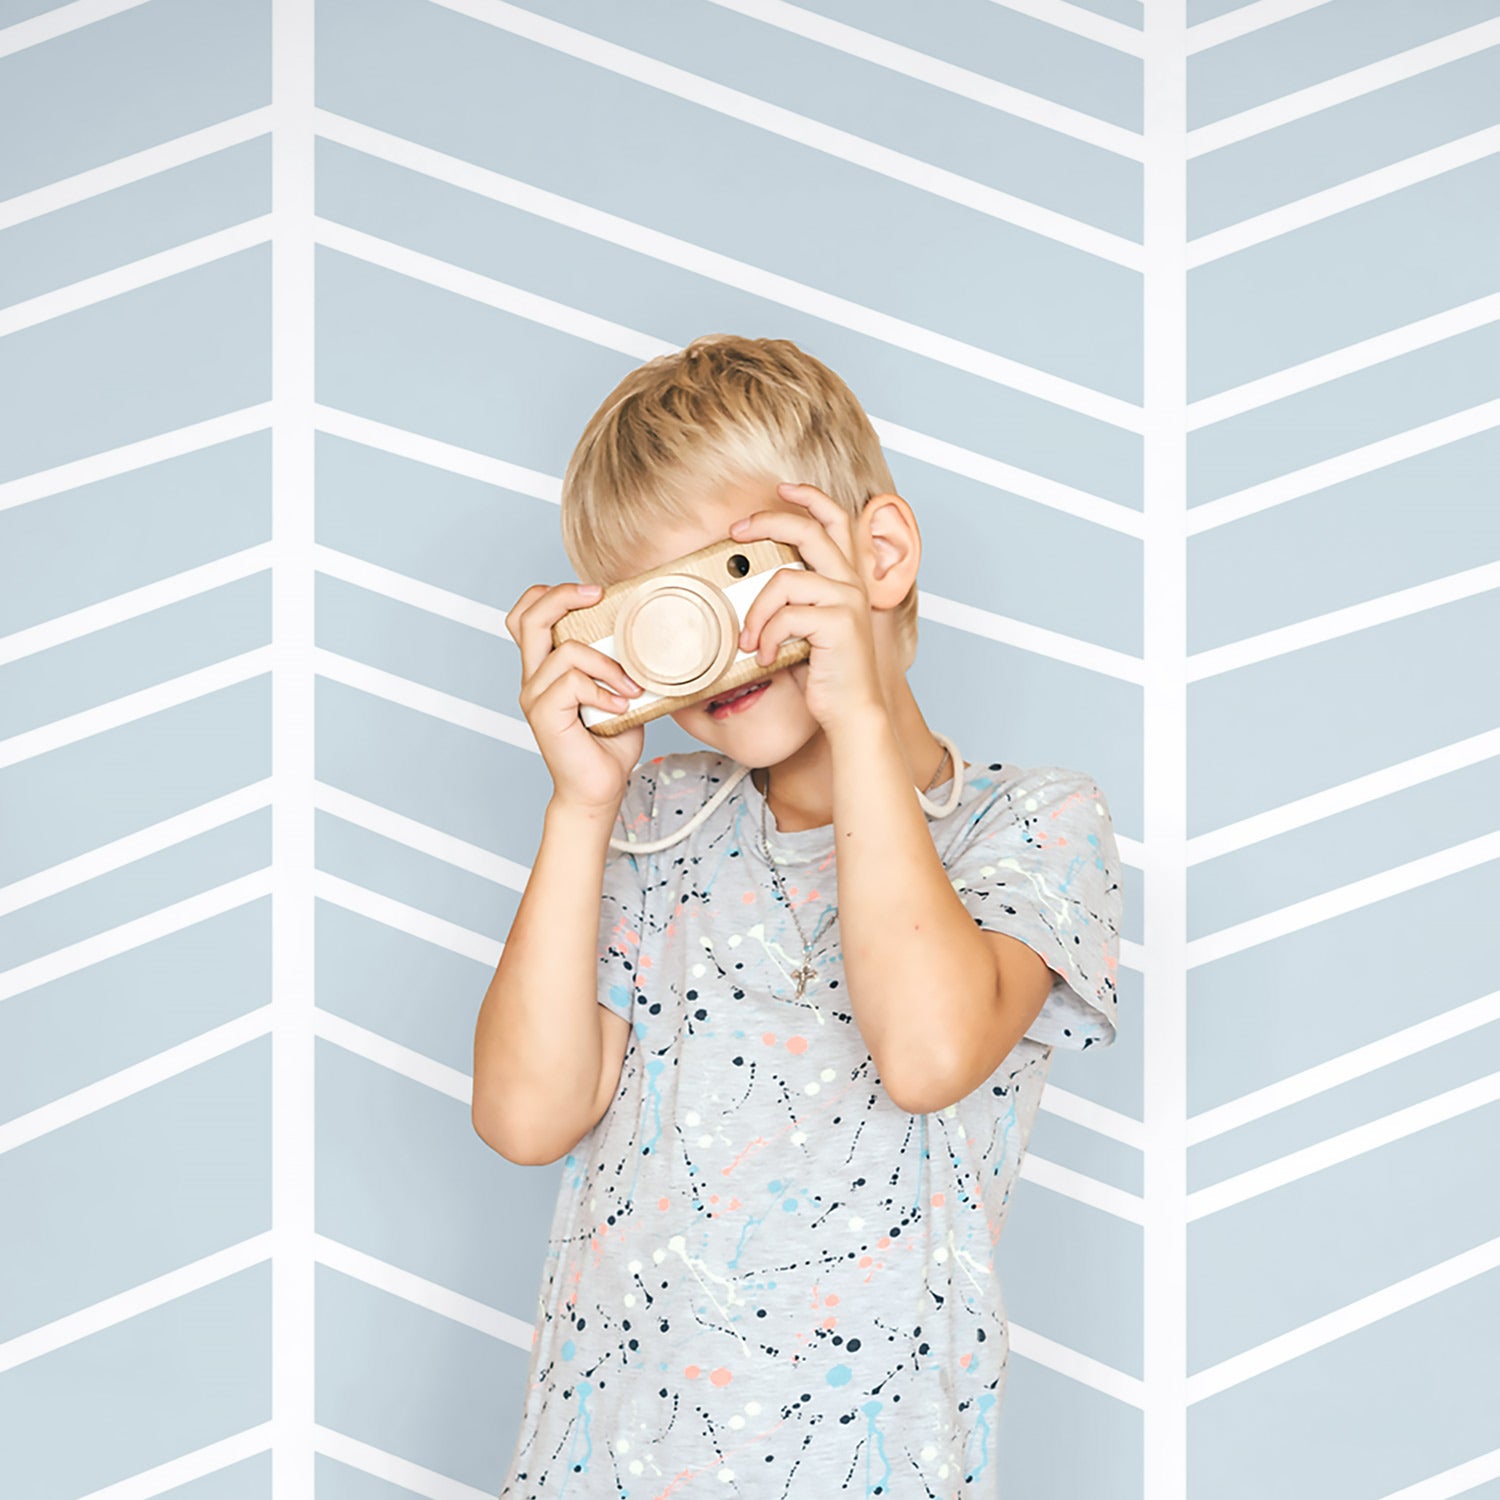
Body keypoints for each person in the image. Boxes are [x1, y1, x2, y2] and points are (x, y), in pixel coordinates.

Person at [472, 334, 1123, 1497]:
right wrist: (581, 804)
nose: (705, 640)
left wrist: (861, 718)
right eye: (652, 607)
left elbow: (926, 1054)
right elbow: (526, 1118)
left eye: (733, 574)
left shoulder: (1031, 826)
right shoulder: (653, 821)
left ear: (876, 553)